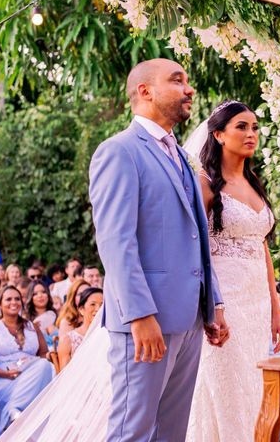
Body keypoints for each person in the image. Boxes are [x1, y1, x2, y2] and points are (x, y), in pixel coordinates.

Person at [89, 58, 226, 441]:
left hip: (190, 319)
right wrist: (139, 315)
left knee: (171, 433)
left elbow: (196, 235)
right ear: (145, 91)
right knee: (131, 432)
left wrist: (212, 303)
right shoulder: (119, 152)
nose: (189, 89)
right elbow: (116, 241)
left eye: (187, 80)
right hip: (145, 322)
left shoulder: (181, 155)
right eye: (177, 80)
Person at [185, 100, 280, 441]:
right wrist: (212, 306)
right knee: (226, 390)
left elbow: (262, 246)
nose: (251, 134)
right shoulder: (204, 184)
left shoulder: (254, 181)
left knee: (254, 389)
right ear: (218, 134)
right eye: (241, 126)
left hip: (257, 305)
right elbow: (194, 248)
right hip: (224, 301)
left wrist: (275, 304)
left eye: (255, 127)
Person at [0, 286, 54, 433]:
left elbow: (44, 353)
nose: (13, 302)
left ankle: (14, 408)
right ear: (0, 304)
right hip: (3, 378)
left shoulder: (32, 327)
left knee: (45, 365)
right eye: (8, 299)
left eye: (17, 299)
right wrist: (6, 374)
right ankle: (12, 414)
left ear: (22, 302)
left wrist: (29, 363)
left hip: (31, 374)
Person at [57, 287, 103, 370]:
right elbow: (64, 376)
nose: (98, 309)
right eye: (93, 304)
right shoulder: (67, 340)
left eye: (102, 305)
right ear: (81, 310)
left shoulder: (109, 336)